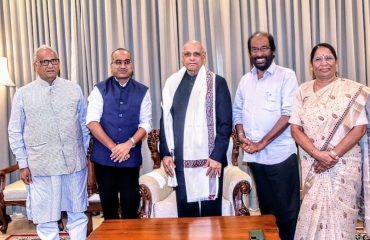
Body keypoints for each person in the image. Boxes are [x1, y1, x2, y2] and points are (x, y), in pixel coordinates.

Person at [8, 45, 90, 240]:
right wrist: (23, 163)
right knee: (46, 216)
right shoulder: (23, 94)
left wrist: (82, 152)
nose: (50, 65)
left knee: (77, 211)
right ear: (35, 65)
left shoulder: (73, 89)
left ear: (59, 63)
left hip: (74, 164)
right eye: (45, 62)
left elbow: (85, 124)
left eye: (54, 61)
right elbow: (15, 130)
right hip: (41, 166)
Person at [290, 43, 370, 239]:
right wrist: (318, 155)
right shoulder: (303, 91)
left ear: (336, 62)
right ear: (311, 65)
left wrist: (332, 155)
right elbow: (295, 129)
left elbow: (359, 128)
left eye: (328, 58)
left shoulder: (352, 90)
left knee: (341, 219)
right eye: (318, 59)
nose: (323, 63)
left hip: (344, 164)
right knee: (310, 214)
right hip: (313, 163)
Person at [232, 31, 300, 240]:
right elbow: (238, 112)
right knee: (267, 211)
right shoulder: (245, 80)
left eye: (264, 48)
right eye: (254, 49)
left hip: (280, 156)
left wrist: (262, 143)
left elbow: (289, 114)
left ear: (272, 51)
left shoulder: (286, 75)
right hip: (256, 158)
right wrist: (242, 136)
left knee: (287, 212)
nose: (259, 53)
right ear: (249, 53)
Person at [160, 40, 232, 217]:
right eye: (187, 54)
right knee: (186, 216)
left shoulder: (217, 83)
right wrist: (166, 153)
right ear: (182, 57)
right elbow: (165, 121)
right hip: (180, 161)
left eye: (196, 54)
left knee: (211, 216)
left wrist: (217, 156)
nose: (192, 58)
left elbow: (225, 123)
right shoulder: (172, 83)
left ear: (204, 57)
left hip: (210, 161)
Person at [86, 48, 152, 219]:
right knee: (109, 208)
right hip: (104, 158)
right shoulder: (99, 89)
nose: (123, 65)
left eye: (127, 61)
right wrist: (114, 147)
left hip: (130, 158)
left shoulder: (143, 91)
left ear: (131, 65)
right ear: (111, 65)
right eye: (118, 62)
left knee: (131, 205)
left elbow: (146, 123)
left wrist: (129, 144)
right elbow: (92, 121)